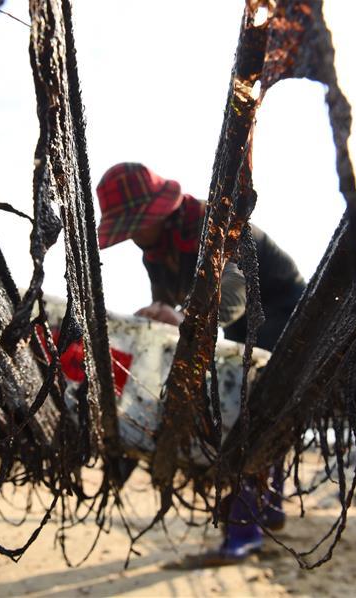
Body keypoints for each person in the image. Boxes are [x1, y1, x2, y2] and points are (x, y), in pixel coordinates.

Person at [96, 162, 306, 564]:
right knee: (251, 411)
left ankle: (244, 535)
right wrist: (157, 317)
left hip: (282, 313)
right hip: (239, 327)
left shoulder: (216, 224)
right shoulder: (154, 251)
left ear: (158, 212)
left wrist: (184, 318)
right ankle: (268, 510)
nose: (133, 237)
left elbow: (233, 293)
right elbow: (165, 309)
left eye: (136, 227)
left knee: (252, 413)